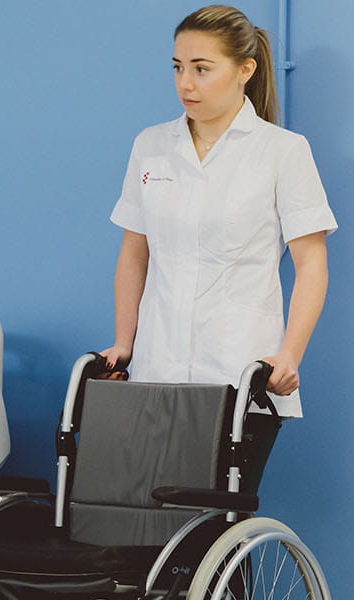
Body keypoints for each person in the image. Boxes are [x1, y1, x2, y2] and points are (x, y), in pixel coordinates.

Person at [100, 4, 335, 492]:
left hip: (241, 371)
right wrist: (125, 344)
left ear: (244, 70)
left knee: (217, 531)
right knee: (149, 529)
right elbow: (134, 253)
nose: (186, 83)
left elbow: (310, 264)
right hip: (157, 370)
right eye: (178, 67)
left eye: (202, 69)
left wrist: (290, 354)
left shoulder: (283, 151)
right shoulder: (151, 145)